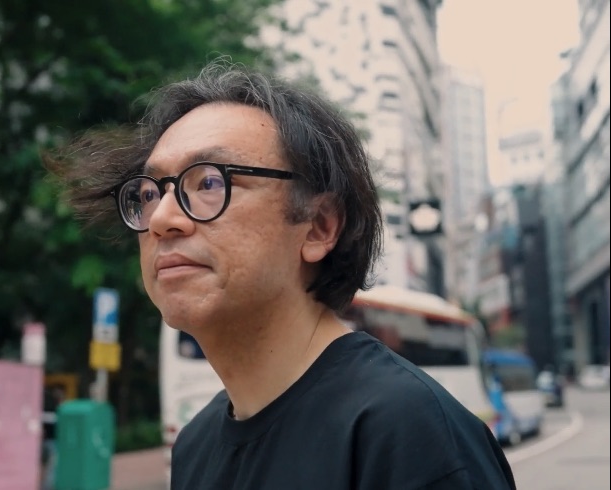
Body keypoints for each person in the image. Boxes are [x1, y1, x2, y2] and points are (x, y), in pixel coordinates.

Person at [48, 59, 516, 489]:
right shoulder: (196, 446)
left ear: (318, 227)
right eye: (150, 193)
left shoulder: (407, 433)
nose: (162, 218)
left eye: (209, 182)